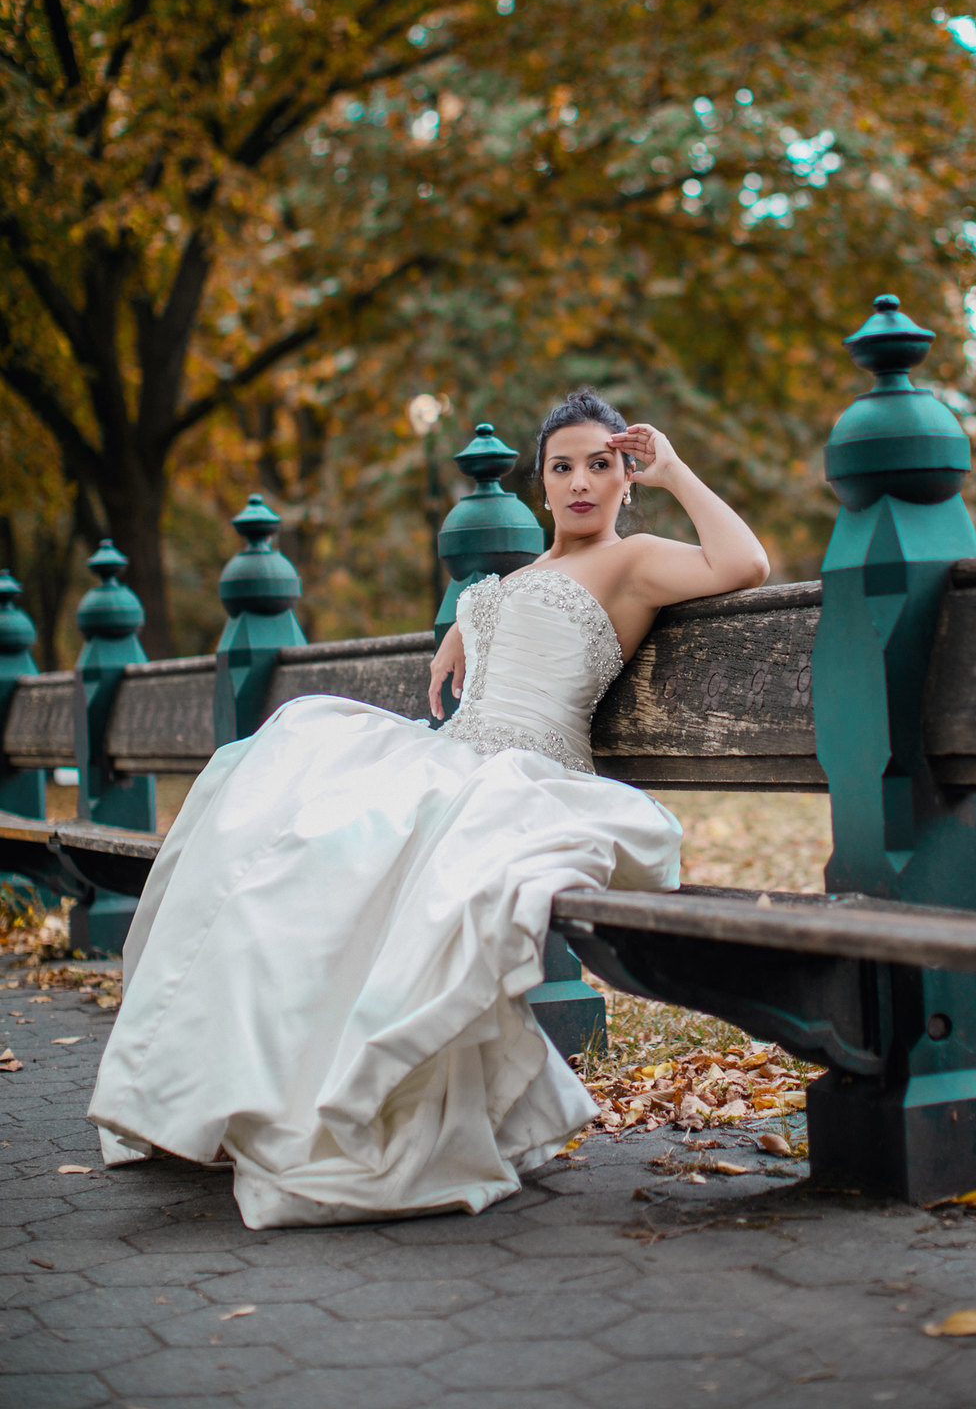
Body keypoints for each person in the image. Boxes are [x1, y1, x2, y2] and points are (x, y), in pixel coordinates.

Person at [89, 390, 769, 1229]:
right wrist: (470, 626)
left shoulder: (634, 562)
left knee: (349, 844)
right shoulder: (519, 578)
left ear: (626, 477)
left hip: (522, 773)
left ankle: (321, 1101)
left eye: (603, 464)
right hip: (452, 756)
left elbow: (745, 565)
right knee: (283, 819)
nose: (583, 483)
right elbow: (498, 640)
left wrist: (675, 473)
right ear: (541, 483)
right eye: (564, 467)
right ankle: (234, 1089)